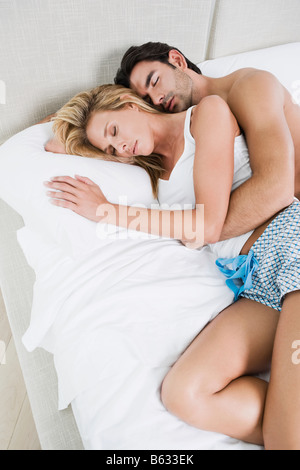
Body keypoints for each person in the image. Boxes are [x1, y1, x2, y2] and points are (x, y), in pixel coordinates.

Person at [43, 84, 300, 449]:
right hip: (253, 283)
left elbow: (207, 226)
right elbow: (51, 144)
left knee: (282, 439)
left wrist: (106, 210)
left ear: (129, 102)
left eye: (115, 132)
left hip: (291, 246)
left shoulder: (206, 114)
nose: (119, 148)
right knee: (184, 393)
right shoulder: (149, 169)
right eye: (110, 149)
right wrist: (71, 125)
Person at [114, 42, 300, 238]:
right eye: (147, 100)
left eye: (155, 81)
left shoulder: (250, 85)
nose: (157, 99)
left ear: (177, 60)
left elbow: (278, 187)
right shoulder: (193, 131)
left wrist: (201, 233)